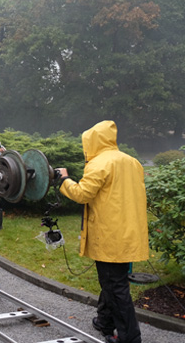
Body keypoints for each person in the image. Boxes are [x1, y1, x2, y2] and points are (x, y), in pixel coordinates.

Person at [58, 120, 148, 343]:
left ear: (93, 141)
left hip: (109, 235)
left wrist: (63, 179)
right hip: (129, 233)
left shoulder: (99, 163)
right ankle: (104, 321)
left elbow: (82, 194)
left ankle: (129, 337)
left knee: (115, 287)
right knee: (114, 281)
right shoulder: (132, 161)